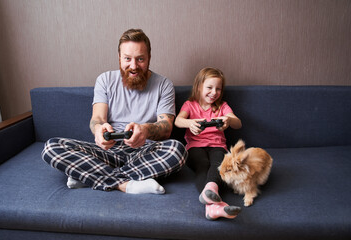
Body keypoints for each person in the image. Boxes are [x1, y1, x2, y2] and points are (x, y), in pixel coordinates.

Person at [42, 29, 187, 194]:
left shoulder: (164, 85)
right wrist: (98, 130)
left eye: (140, 59)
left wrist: (144, 130)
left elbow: (166, 127)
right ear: (119, 58)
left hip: (145, 153)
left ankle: (89, 177)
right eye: (127, 59)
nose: (133, 66)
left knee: (177, 150)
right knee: (51, 147)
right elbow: (97, 118)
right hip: (108, 152)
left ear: (149, 58)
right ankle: (127, 185)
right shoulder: (105, 80)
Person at [175, 67, 242, 220]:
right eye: (209, 88)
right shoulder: (190, 104)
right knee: (202, 166)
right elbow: (178, 121)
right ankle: (216, 206)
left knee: (218, 166)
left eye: (218, 89)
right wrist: (190, 123)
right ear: (199, 87)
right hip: (195, 147)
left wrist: (229, 120)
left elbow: (238, 123)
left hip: (217, 146)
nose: (214, 92)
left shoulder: (222, 106)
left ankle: (211, 198)